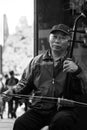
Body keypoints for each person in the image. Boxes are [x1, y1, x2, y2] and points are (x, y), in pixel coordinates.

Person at [3, 24, 86, 130]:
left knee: (63, 121)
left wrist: (77, 71)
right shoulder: (36, 62)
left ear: (69, 42)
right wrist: (12, 92)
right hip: (39, 109)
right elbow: (24, 83)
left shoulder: (76, 62)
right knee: (21, 123)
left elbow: (84, 86)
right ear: (49, 39)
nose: (57, 41)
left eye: (62, 38)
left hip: (63, 110)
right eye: (54, 37)